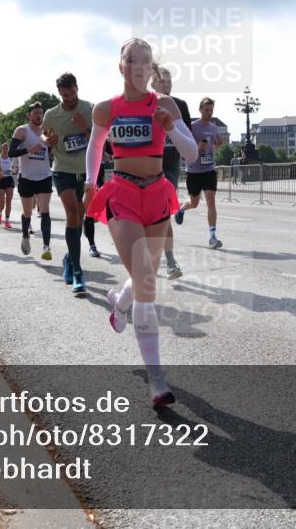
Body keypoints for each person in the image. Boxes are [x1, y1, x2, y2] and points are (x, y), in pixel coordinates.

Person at [83, 38, 198, 408]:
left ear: (152, 69)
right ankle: (157, 379)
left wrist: (172, 128)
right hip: (123, 194)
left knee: (142, 275)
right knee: (147, 277)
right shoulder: (106, 109)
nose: (138, 66)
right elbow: (96, 147)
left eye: (145, 61)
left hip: (158, 195)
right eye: (131, 60)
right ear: (121, 66)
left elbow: (192, 153)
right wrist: (90, 180)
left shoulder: (164, 104)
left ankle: (119, 305)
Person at [42, 72, 94, 293]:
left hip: (86, 170)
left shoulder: (90, 109)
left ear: (77, 88)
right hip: (62, 169)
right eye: (65, 95)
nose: (69, 98)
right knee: (72, 213)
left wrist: (84, 127)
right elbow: (44, 135)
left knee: (80, 218)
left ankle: (69, 259)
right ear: (60, 94)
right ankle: (78, 273)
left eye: (72, 93)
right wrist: (48, 140)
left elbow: (100, 141)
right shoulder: (52, 114)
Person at [151, 64, 191, 279]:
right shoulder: (145, 102)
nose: (166, 84)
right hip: (149, 164)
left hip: (171, 165)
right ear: (152, 83)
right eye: (162, 80)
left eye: (169, 81)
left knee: (164, 212)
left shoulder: (180, 105)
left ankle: (170, 261)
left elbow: (188, 136)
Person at [174, 97, 223, 249]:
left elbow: (214, 148)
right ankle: (181, 209)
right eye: (207, 110)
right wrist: (197, 147)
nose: (209, 113)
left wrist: (218, 145)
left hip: (209, 169)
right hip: (194, 170)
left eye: (211, 110)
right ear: (200, 109)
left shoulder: (214, 128)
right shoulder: (193, 127)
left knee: (211, 200)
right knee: (194, 203)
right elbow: (185, 146)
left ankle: (213, 237)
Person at [9, 102, 53, 258]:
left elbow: (53, 149)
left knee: (45, 210)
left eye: (41, 113)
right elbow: (11, 152)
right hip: (26, 177)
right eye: (35, 113)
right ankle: (25, 236)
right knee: (27, 212)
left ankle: (46, 247)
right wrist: (29, 149)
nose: (39, 115)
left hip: (45, 176)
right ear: (29, 115)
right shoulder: (22, 131)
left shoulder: (46, 130)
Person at [0, 141, 15, 229]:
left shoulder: (11, 158)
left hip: (9, 180)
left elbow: (15, 170)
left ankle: (7, 221)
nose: (5, 150)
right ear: (1, 149)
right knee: (1, 201)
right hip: (0, 180)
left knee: (9, 202)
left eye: (7, 148)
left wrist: (14, 171)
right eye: (4, 148)